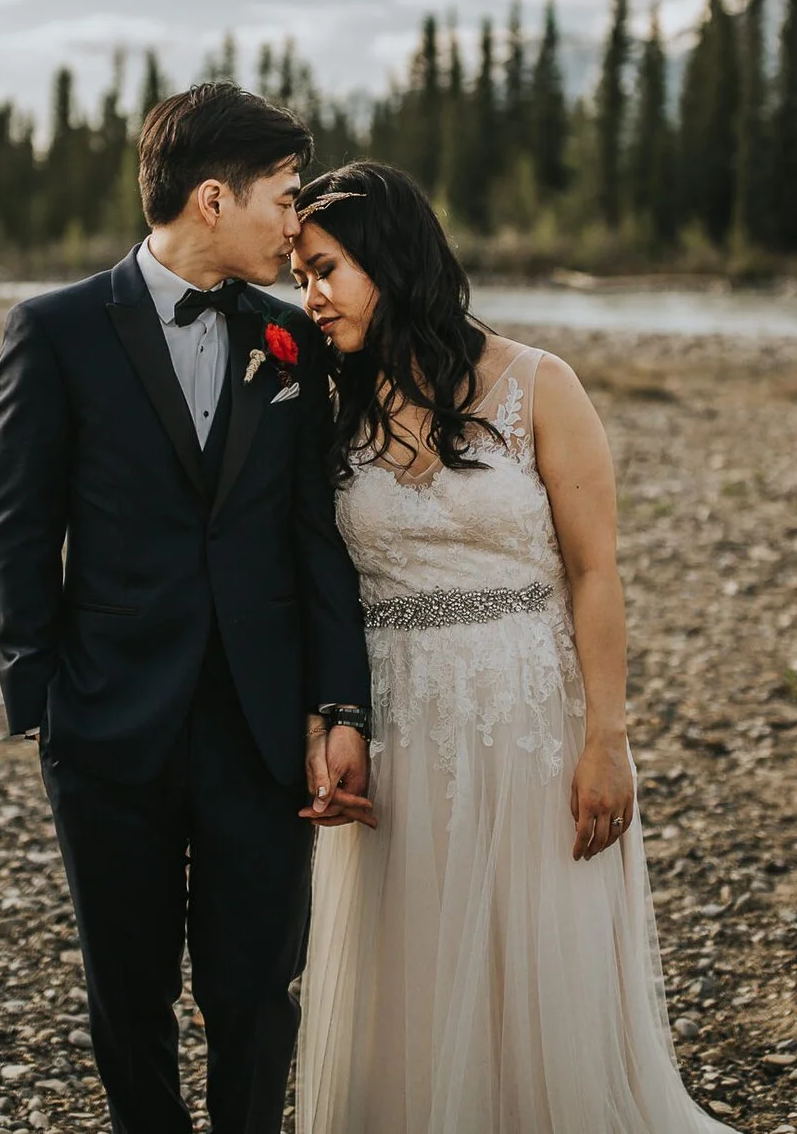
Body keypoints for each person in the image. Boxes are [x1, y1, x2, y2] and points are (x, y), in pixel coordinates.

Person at [287, 159, 736, 1134]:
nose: (310, 296)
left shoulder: (539, 383)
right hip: (399, 722)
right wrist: (330, 718)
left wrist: (607, 738)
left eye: (325, 269)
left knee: (534, 951)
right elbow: (317, 585)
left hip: (530, 717)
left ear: (388, 257)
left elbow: (596, 571)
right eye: (300, 276)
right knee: (413, 955)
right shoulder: (328, 404)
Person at [0, 84, 372, 1134]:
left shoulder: (289, 339)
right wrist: (45, 704)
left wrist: (340, 702)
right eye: (283, 198)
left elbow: (316, 534)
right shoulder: (55, 330)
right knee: (129, 993)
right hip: (108, 722)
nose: (294, 224)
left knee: (257, 989)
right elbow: (18, 529)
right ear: (213, 198)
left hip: (259, 722)